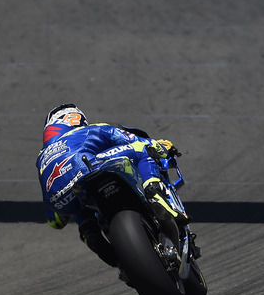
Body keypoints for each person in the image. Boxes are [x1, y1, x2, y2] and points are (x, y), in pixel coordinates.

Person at [36, 103, 187, 268]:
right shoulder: (90, 130)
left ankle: (90, 234)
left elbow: (55, 222)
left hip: (58, 198)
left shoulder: (42, 159)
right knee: (143, 149)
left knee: (79, 207)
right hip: (88, 166)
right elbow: (133, 139)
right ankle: (155, 195)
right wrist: (161, 146)